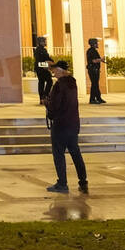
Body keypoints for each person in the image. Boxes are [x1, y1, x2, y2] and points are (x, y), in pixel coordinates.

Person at [44, 60, 88, 194]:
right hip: (73, 124)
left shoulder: (59, 85)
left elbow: (55, 105)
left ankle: (62, 183)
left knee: (58, 154)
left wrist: (47, 105)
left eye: (55, 70)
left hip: (61, 124)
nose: (54, 73)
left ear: (61, 71)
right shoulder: (72, 83)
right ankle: (83, 182)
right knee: (75, 153)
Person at [33, 36, 53, 105]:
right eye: (44, 41)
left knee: (42, 82)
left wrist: (52, 62)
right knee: (49, 81)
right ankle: (44, 96)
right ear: (41, 42)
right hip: (41, 68)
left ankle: (42, 97)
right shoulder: (38, 50)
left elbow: (47, 58)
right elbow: (40, 60)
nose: (45, 42)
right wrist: (47, 64)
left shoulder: (43, 50)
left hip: (42, 68)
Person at [85, 37, 106, 105]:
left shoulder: (92, 50)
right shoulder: (91, 51)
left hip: (94, 70)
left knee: (95, 84)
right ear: (93, 44)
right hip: (93, 70)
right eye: (96, 43)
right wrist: (101, 59)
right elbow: (93, 60)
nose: (98, 44)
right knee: (94, 84)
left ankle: (98, 98)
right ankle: (92, 99)